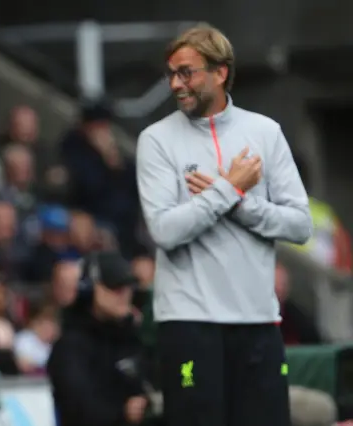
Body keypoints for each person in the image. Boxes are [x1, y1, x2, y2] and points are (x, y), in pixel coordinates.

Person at [136, 24, 312, 426]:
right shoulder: (156, 140)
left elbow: (300, 225)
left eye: (187, 72)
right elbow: (165, 230)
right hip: (188, 324)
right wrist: (229, 190)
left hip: (258, 322)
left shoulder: (265, 133)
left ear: (220, 72)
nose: (176, 84)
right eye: (172, 74)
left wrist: (238, 202)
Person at [47, 251, 149, 426]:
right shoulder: (71, 346)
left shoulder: (138, 337)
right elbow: (77, 407)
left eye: (127, 286)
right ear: (89, 289)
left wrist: (187, 381)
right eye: (114, 287)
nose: (124, 294)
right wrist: (124, 413)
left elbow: (186, 367)